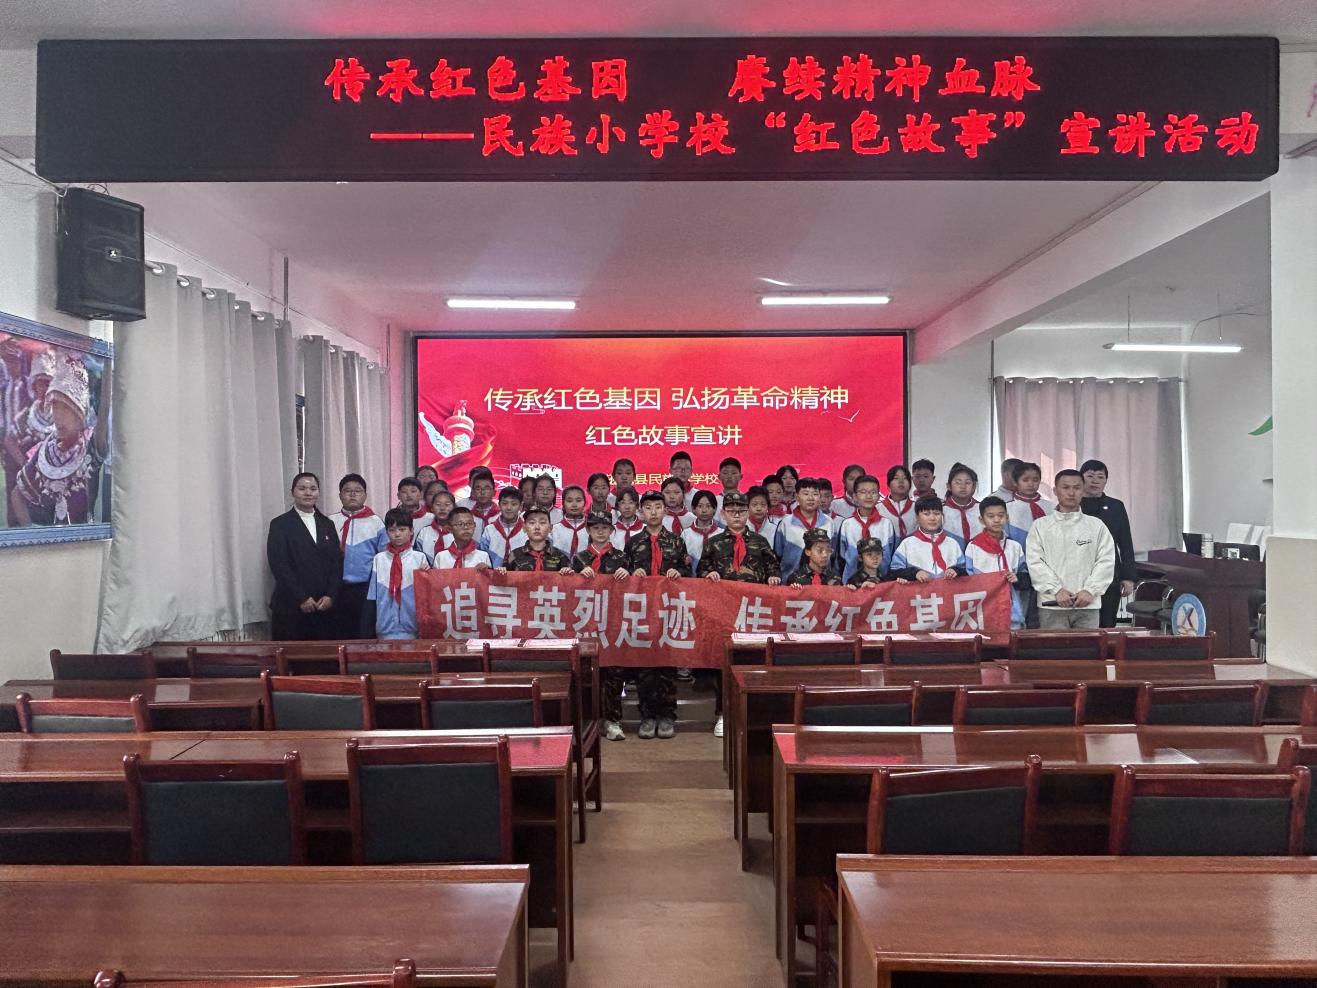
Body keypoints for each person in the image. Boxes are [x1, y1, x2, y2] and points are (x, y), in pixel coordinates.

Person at [697, 490, 781, 738]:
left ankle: (753, 714)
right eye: (732, 511)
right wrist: (708, 574)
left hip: (753, 613)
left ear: (747, 513)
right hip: (723, 612)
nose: (736, 515)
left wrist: (773, 577)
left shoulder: (760, 542)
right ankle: (723, 714)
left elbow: (774, 569)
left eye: (741, 511)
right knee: (723, 664)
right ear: (723, 514)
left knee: (754, 662)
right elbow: (700, 571)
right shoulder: (713, 542)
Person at [11, 353, 109, 527]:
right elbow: (16, 495)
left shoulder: (91, 445)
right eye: (55, 407)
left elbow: (104, 409)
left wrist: (108, 361)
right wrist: (31, 530)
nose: (58, 416)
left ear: (79, 414)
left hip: (84, 541)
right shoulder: (46, 451)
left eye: (65, 408)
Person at [624, 491, 690, 740]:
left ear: (665, 510)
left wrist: (678, 572)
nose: (653, 512)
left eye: (658, 507)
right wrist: (633, 575)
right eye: (648, 507)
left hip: (668, 608)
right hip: (642, 610)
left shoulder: (676, 541)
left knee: (667, 665)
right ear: (641, 512)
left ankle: (667, 716)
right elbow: (623, 573)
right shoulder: (633, 542)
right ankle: (647, 716)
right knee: (645, 667)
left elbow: (687, 571)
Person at [1025, 469, 1116, 630]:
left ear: (1083, 490)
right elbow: (1035, 562)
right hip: (1052, 604)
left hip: (1088, 604)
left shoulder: (1096, 526)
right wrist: (1056, 590)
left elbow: (1106, 561)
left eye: (1076, 487)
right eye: (1065, 487)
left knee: (1088, 646)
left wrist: (1090, 590)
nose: (1071, 492)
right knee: (1054, 646)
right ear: (1055, 491)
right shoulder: (1040, 526)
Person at [570, 511, 632, 741]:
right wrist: (575, 574)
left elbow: (635, 588)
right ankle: (588, 722)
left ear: (611, 530)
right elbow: (566, 588)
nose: (600, 532)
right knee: (586, 672)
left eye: (605, 527)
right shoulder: (579, 558)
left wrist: (628, 573)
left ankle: (612, 721)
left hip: (613, 623)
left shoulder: (622, 557)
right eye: (595, 527)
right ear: (588, 530)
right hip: (585, 622)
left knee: (614, 673)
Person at [266, 471, 343, 641]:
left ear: (318, 492)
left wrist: (331, 595)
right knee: (291, 656)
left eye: (313, 489)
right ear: (292, 492)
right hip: (290, 607)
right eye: (302, 488)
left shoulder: (327, 524)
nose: (308, 493)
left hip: (323, 607)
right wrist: (301, 597)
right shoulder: (280, 524)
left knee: (324, 655)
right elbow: (279, 564)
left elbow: (337, 563)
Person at [328, 472, 387, 639]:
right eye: (347, 491)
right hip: (335, 588)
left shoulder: (376, 522)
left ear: (365, 495)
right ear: (340, 495)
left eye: (358, 491)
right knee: (337, 633)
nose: (352, 494)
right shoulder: (329, 521)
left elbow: (383, 558)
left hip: (365, 588)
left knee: (364, 632)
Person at [1080, 458, 1137, 628]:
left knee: (1107, 622)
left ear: (1106, 480)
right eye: (1090, 476)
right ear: (1081, 478)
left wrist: (1128, 577)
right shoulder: (1073, 505)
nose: (1095, 481)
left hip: (1110, 574)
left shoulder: (1115, 506)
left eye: (1100, 477)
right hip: (1080, 574)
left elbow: (1125, 543)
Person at [362, 507, 431, 639]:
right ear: (386, 532)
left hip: (413, 628)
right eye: (392, 530)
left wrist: (427, 575)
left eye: (402, 529)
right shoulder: (379, 559)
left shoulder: (420, 558)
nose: (397, 534)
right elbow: (372, 597)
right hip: (384, 627)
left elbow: (427, 596)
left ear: (411, 531)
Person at [964, 496, 1031, 628]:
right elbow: (968, 581)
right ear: (981, 520)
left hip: (1012, 612)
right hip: (983, 612)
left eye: (1001, 516)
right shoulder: (973, 547)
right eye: (991, 516)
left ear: (1007, 517)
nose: (996, 520)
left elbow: (1025, 576)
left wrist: (1017, 578)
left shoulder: (1015, 547)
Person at [888, 495, 966, 581]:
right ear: (917, 517)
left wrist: (955, 570)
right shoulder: (907, 544)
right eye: (926, 514)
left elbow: (965, 570)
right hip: (918, 589)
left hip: (947, 589)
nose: (932, 518)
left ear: (942, 516)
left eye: (937, 514)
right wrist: (914, 573)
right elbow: (894, 572)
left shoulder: (952, 543)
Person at [835, 473, 895, 581]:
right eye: (863, 492)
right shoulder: (847, 524)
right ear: (855, 496)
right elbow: (841, 558)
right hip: (852, 584)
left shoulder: (886, 524)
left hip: (882, 582)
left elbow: (891, 554)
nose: (868, 496)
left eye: (873, 492)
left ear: (879, 496)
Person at [775, 477, 833, 579]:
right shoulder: (786, 523)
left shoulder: (829, 522)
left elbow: (833, 554)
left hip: (823, 582)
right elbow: (777, 555)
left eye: (815, 494)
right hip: (790, 581)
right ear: (797, 497)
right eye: (806, 494)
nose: (811, 498)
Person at [501, 507, 570, 572]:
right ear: (524, 527)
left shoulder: (560, 557)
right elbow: (503, 578)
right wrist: (501, 572)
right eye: (532, 523)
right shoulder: (514, 556)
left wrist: (567, 573)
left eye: (542, 522)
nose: (537, 527)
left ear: (550, 528)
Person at [479, 486, 528, 567]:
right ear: (499, 505)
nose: (509, 508)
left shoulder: (527, 530)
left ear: (521, 506)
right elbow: (482, 557)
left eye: (514, 504)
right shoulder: (489, 530)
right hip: (493, 574)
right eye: (505, 503)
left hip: (521, 574)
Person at [1006, 461, 1053, 539]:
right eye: (1025, 480)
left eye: (1035, 480)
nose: (1030, 484)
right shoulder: (1007, 508)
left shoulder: (1051, 507)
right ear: (1015, 482)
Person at [942, 463, 982, 550]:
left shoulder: (982, 509)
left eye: (967, 483)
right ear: (949, 486)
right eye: (958, 483)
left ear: (973, 486)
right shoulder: (941, 510)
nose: (963, 486)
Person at [413, 488, 455, 564]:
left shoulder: (458, 531)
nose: (442, 508)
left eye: (447, 505)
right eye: (438, 505)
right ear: (432, 508)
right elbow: (417, 557)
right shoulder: (424, 532)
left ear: (453, 507)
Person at [683, 490, 721, 571]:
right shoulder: (686, 534)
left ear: (714, 509)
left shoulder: (721, 533)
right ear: (693, 509)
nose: (704, 510)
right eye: (700, 506)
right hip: (691, 575)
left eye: (708, 506)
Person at [550, 484, 590, 557]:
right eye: (569, 501)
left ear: (584, 502)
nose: (574, 505)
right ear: (563, 503)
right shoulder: (554, 530)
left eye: (578, 500)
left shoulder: (592, 528)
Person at [877, 465, 915, 540]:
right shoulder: (878, 508)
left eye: (905, 478)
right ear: (888, 485)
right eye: (896, 478)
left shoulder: (916, 507)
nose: (901, 482)